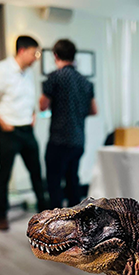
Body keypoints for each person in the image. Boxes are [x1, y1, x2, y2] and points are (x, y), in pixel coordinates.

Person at [0, 35, 47, 231]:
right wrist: (2, 123)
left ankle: (46, 214)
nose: (36, 58)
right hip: (9, 131)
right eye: (35, 53)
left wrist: (33, 114)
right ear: (22, 51)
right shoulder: (2, 70)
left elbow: (28, 97)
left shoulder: (28, 73)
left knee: (36, 172)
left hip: (27, 130)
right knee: (4, 174)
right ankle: (1, 215)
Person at [39, 39, 97, 209]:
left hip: (58, 139)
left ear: (55, 55)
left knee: (54, 182)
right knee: (73, 180)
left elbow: (43, 105)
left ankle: (56, 224)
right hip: (78, 139)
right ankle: (76, 221)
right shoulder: (85, 82)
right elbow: (94, 110)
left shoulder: (55, 77)